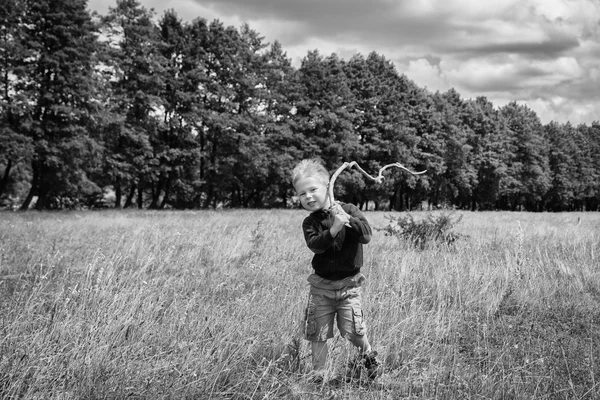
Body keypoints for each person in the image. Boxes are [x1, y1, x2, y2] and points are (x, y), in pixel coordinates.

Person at [291, 158, 381, 383]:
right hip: (320, 288)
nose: (308, 196)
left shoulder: (349, 210)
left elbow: (366, 236)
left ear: (327, 186)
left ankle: (369, 356)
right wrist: (333, 229)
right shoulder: (310, 222)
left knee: (353, 330)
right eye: (302, 194)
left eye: (313, 190)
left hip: (349, 287)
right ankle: (318, 377)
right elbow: (315, 246)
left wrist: (346, 218)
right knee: (317, 333)